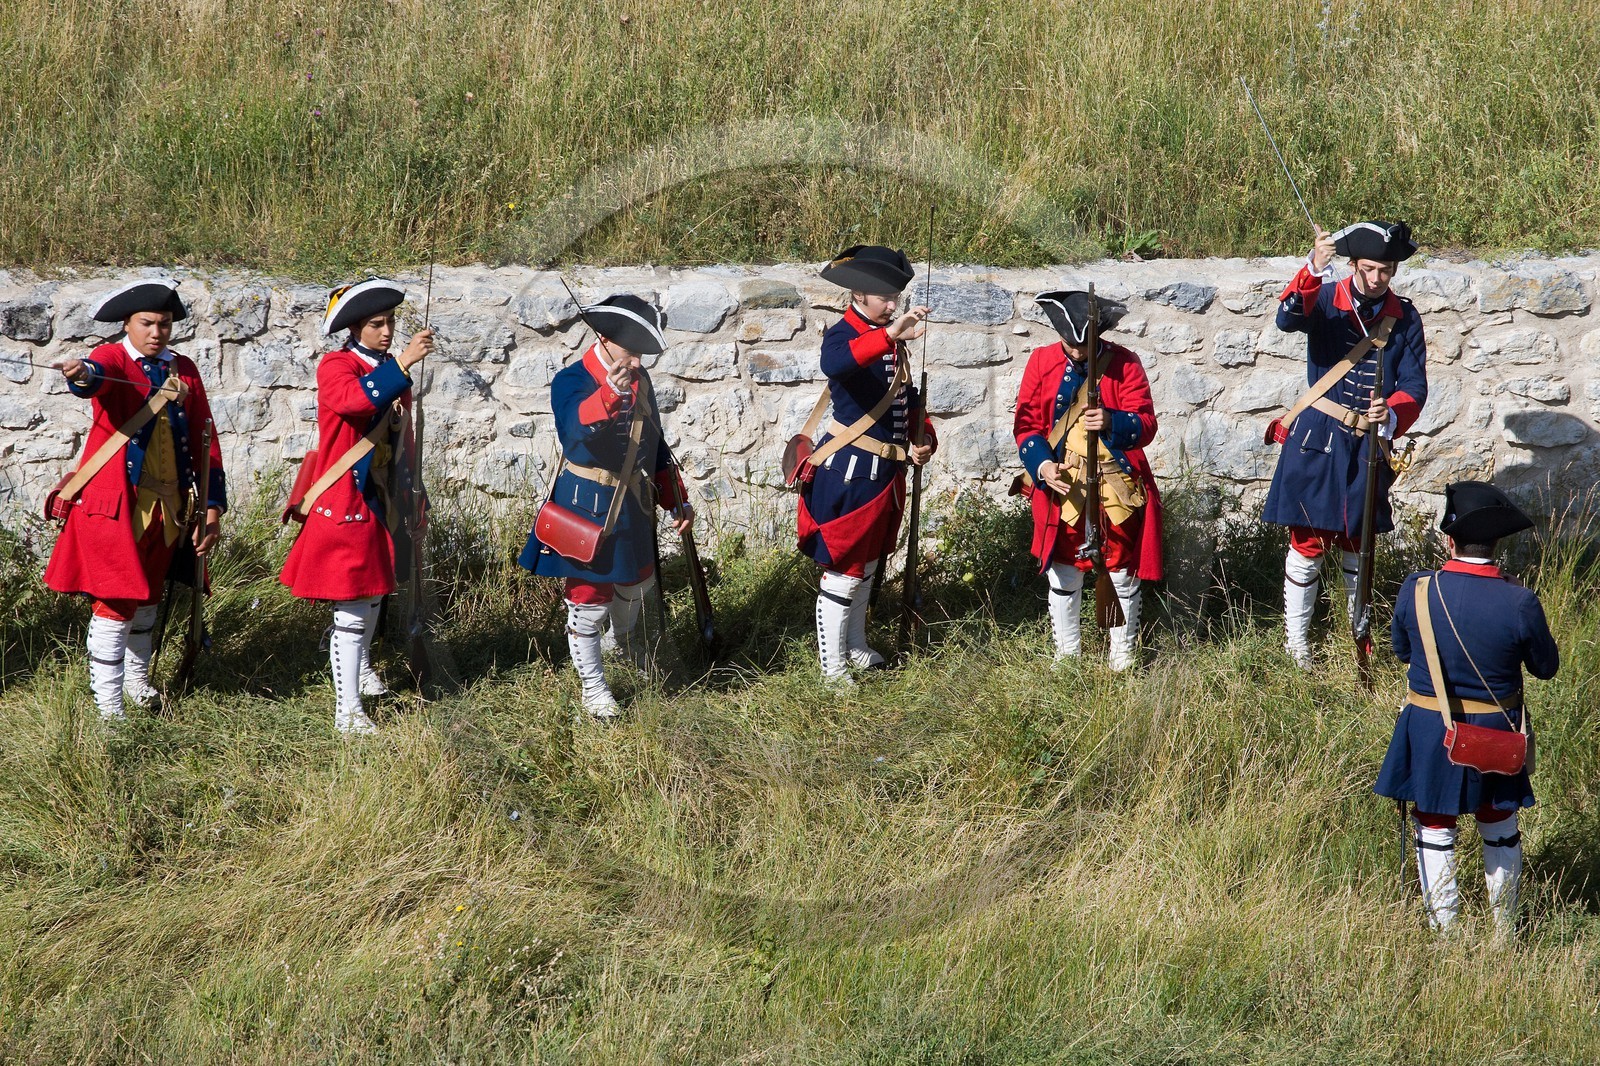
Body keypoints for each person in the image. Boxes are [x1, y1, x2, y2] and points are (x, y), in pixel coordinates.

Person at [1374, 482, 1558, 934]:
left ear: (1449, 541)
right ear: (1496, 545)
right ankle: (1504, 933)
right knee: (1498, 819)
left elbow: (1402, 650)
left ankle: (1446, 937)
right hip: (1497, 726)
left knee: (1434, 824)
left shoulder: (1417, 589)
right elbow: (1546, 668)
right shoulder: (1520, 600)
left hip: (1429, 725)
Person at [44, 279, 226, 720]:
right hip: (117, 508)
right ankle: (110, 712)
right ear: (127, 323)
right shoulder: (112, 358)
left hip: (170, 508)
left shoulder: (183, 368)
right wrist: (81, 373)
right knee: (115, 603)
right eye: (147, 323)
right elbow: (92, 377)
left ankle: (137, 682)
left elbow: (206, 437)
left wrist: (213, 505)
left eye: (164, 324)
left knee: (148, 598)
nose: (156, 332)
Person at [1261, 221, 1428, 668]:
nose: (1376, 279)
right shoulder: (1326, 298)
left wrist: (1391, 412)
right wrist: (1314, 267)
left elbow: (1414, 386)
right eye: (1369, 269)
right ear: (1353, 264)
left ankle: (1359, 643)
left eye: (1385, 271)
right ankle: (1297, 647)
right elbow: (1287, 319)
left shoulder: (1405, 317)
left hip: (1367, 446)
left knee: (1359, 544)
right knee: (1307, 546)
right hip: (1317, 438)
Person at [518, 294, 693, 719]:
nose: (636, 362)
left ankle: (619, 646)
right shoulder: (571, 380)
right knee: (589, 602)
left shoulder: (640, 380)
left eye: (641, 354)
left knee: (637, 586)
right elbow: (574, 435)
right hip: (585, 503)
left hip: (633, 501)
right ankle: (593, 689)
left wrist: (676, 498)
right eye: (630, 352)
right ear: (603, 339)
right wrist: (610, 395)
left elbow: (654, 444)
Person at [279, 280, 433, 735]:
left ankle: (361, 670)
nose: (387, 331)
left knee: (373, 595)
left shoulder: (388, 369)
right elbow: (354, 401)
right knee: (352, 607)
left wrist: (415, 497)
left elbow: (403, 443)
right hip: (345, 498)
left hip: (382, 498)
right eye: (376, 324)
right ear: (354, 328)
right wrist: (403, 363)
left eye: (390, 322)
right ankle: (347, 711)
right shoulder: (337, 365)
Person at [796, 245, 936, 682]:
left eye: (896, 297)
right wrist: (891, 334)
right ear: (859, 294)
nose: (893, 305)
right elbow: (835, 363)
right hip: (850, 471)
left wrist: (923, 438)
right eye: (885, 298)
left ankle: (855, 646)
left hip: (884, 473)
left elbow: (906, 399)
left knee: (869, 565)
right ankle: (832, 667)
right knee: (844, 572)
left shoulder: (887, 336)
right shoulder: (845, 334)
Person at [1013, 291, 1162, 671]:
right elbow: (1027, 427)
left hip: (1116, 485)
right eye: (1071, 344)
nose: (1078, 352)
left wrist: (1113, 420)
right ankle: (1067, 657)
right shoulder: (1041, 361)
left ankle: (1122, 657)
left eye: (1086, 345)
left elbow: (1146, 424)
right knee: (1064, 570)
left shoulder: (1125, 362)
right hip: (1065, 484)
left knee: (1121, 570)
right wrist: (1043, 466)